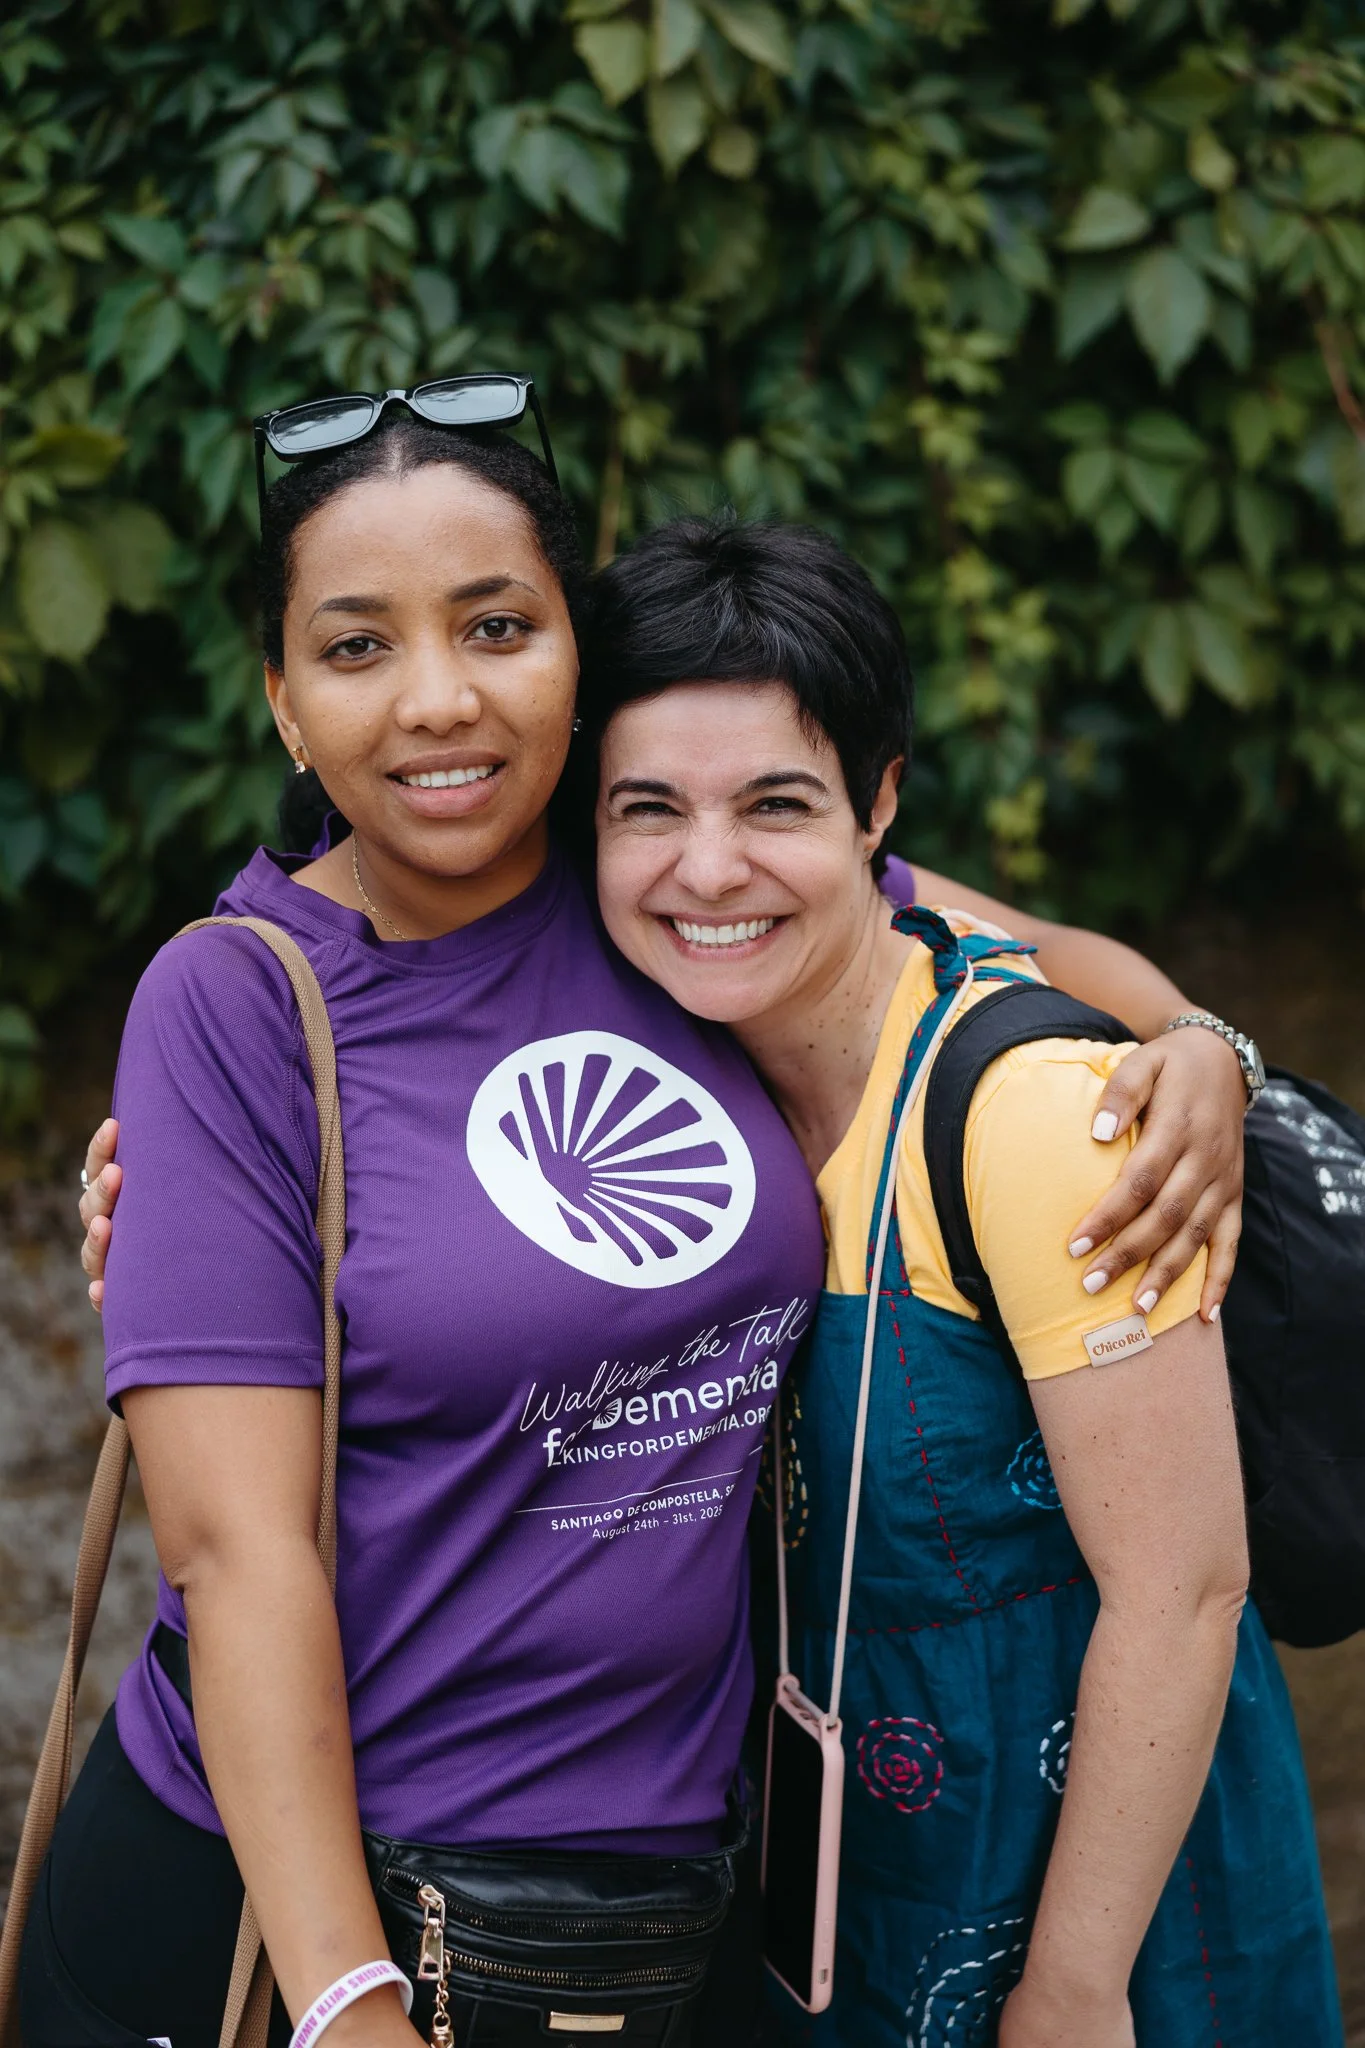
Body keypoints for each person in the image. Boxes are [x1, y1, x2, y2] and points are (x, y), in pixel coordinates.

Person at [58, 402, 1250, 2048]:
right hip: (333, 1909)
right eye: (355, 646)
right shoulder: (236, 1007)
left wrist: (1200, 1055)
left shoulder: (665, 887)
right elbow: (236, 1555)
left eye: (497, 626)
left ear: (574, 655)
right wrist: (346, 2007)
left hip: (691, 1892)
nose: (439, 698)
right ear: (282, 699)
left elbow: (1046, 957)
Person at [573, 518, 1341, 2046]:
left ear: (878, 806)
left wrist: (1073, 1989)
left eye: (776, 805)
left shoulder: (1032, 1119)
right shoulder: (649, 1038)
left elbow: (1182, 1594)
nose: (708, 866)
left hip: (1095, 1881)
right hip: (831, 1860)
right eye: (646, 807)